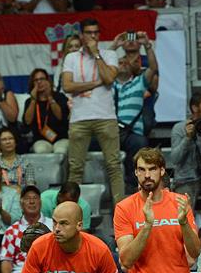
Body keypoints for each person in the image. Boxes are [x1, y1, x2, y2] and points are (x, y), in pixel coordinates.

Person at [62, 18, 124, 204]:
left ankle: (120, 212)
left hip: (106, 117)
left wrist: (97, 55)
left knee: (114, 165)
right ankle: (71, 210)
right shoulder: (71, 57)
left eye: (96, 33)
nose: (93, 36)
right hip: (79, 118)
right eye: (89, 33)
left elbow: (109, 78)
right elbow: (67, 85)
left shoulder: (109, 54)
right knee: (75, 168)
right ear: (82, 35)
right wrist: (95, 83)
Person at [113, 52, 152, 189]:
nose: (123, 64)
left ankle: (132, 182)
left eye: (126, 63)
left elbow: (153, 69)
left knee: (140, 142)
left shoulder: (139, 82)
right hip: (111, 132)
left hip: (132, 133)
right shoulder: (107, 86)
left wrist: (148, 47)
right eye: (120, 63)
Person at [0, 184, 52, 273]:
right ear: (21, 204)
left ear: (40, 202)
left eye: (35, 198)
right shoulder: (12, 231)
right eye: (27, 198)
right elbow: (6, 260)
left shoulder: (53, 226)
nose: (31, 202)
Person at [23, 68, 69, 154]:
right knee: (41, 150)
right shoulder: (29, 101)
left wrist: (50, 97)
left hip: (61, 138)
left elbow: (61, 117)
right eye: (36, 80)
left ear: (48, 81)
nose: (39, 82)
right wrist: (33, 100)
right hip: (40, 139)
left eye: (42, 79)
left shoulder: (59, 97)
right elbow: (27, 122)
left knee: (60, 151)